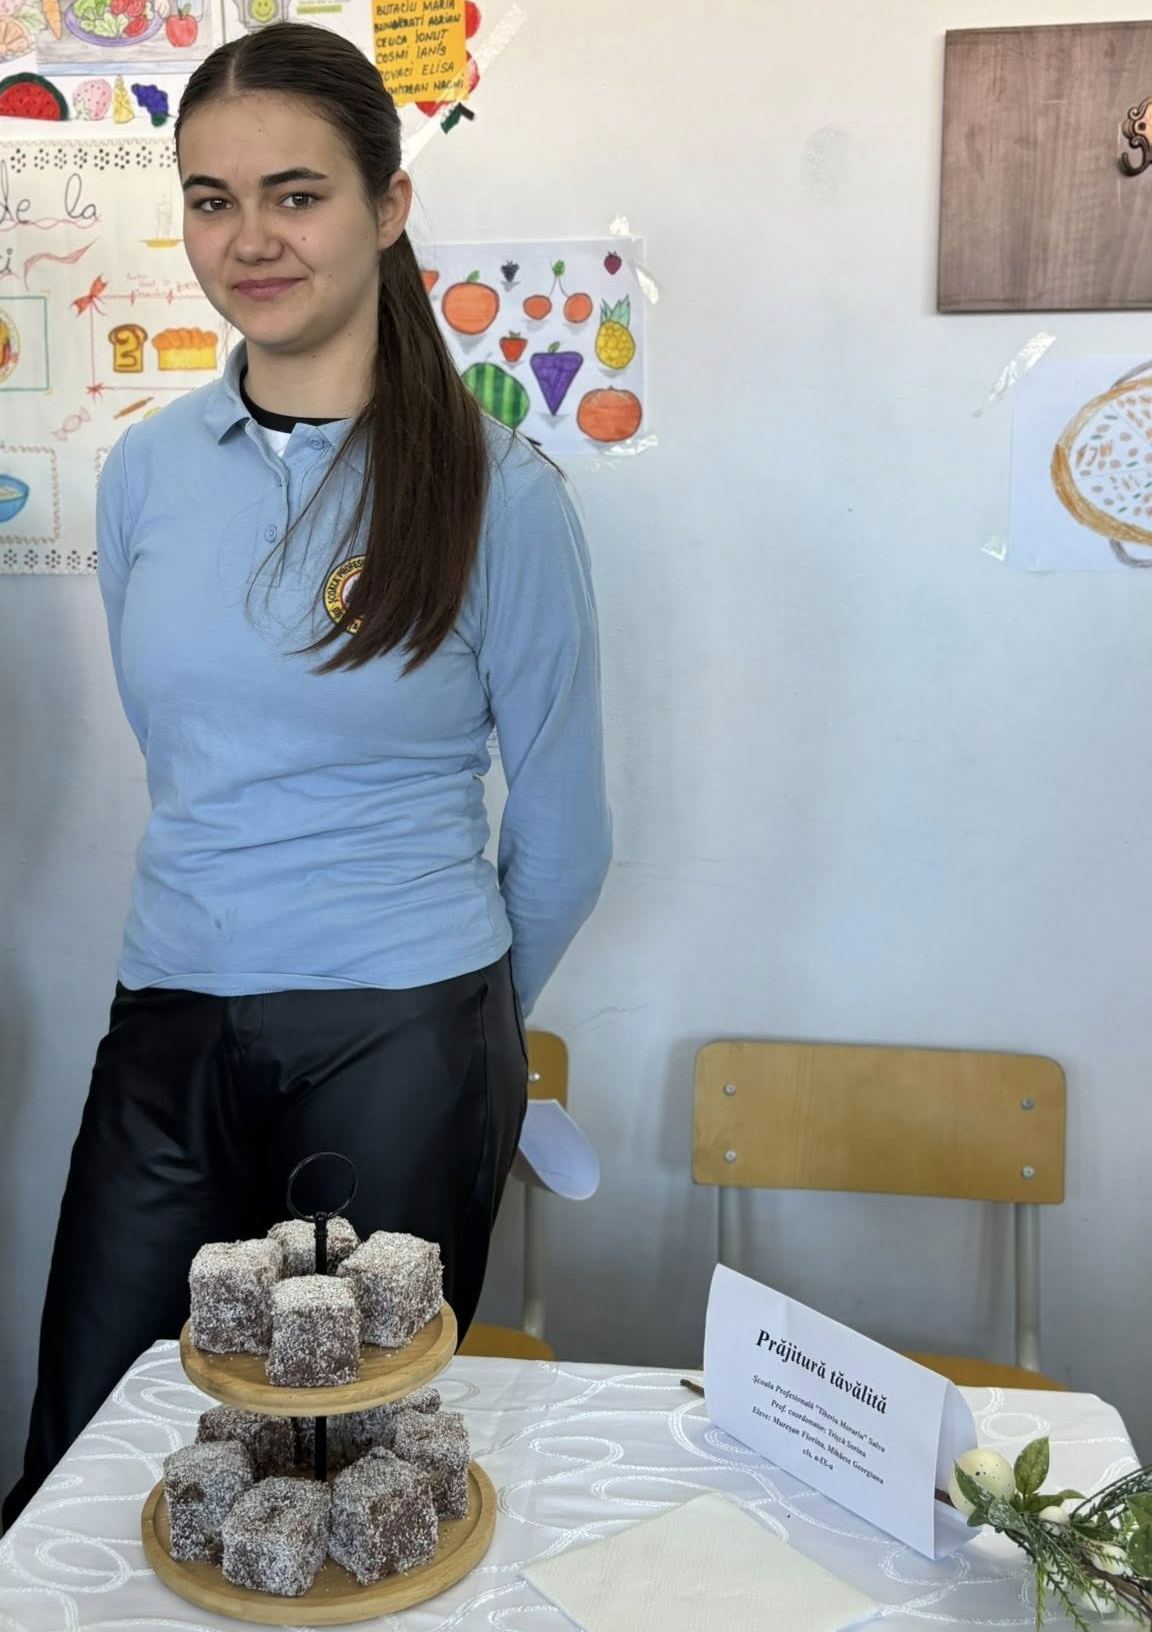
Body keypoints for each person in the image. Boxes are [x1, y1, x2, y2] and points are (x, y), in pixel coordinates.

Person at [3, 21, 610, 1529]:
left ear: (388, 206)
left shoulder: (500, 493)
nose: (250, 239)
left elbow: (565, 830)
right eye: (212, 201)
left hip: (402, 1030)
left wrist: (455, 1025)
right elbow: (191, 756)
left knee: (352, 1481)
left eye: (296, 194)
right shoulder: (148, 470)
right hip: (169, 1014)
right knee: (96, 1445)